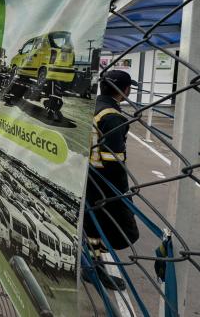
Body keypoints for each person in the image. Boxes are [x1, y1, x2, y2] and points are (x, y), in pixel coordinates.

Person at [83, 70, 140, 291]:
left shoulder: (90, 106)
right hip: (102, 182)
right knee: (104, 228)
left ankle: (92, 265)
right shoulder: (113, 116)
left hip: (86, 175)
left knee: (90, 225)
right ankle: (95, 270)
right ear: (124, 91)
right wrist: (122, 191)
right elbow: (114, 162)